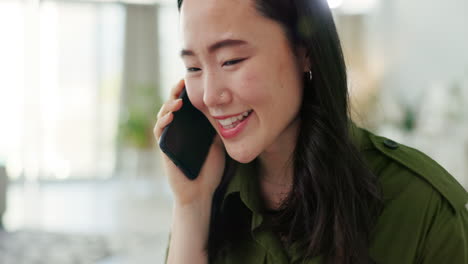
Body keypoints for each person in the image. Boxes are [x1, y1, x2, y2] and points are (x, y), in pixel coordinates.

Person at [153, 0, 468, 263]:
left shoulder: (421, 206)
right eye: (193, 67)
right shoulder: (210, 199)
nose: (209, 96)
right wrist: (190, 205)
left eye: (231, 60)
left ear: (305, 52)